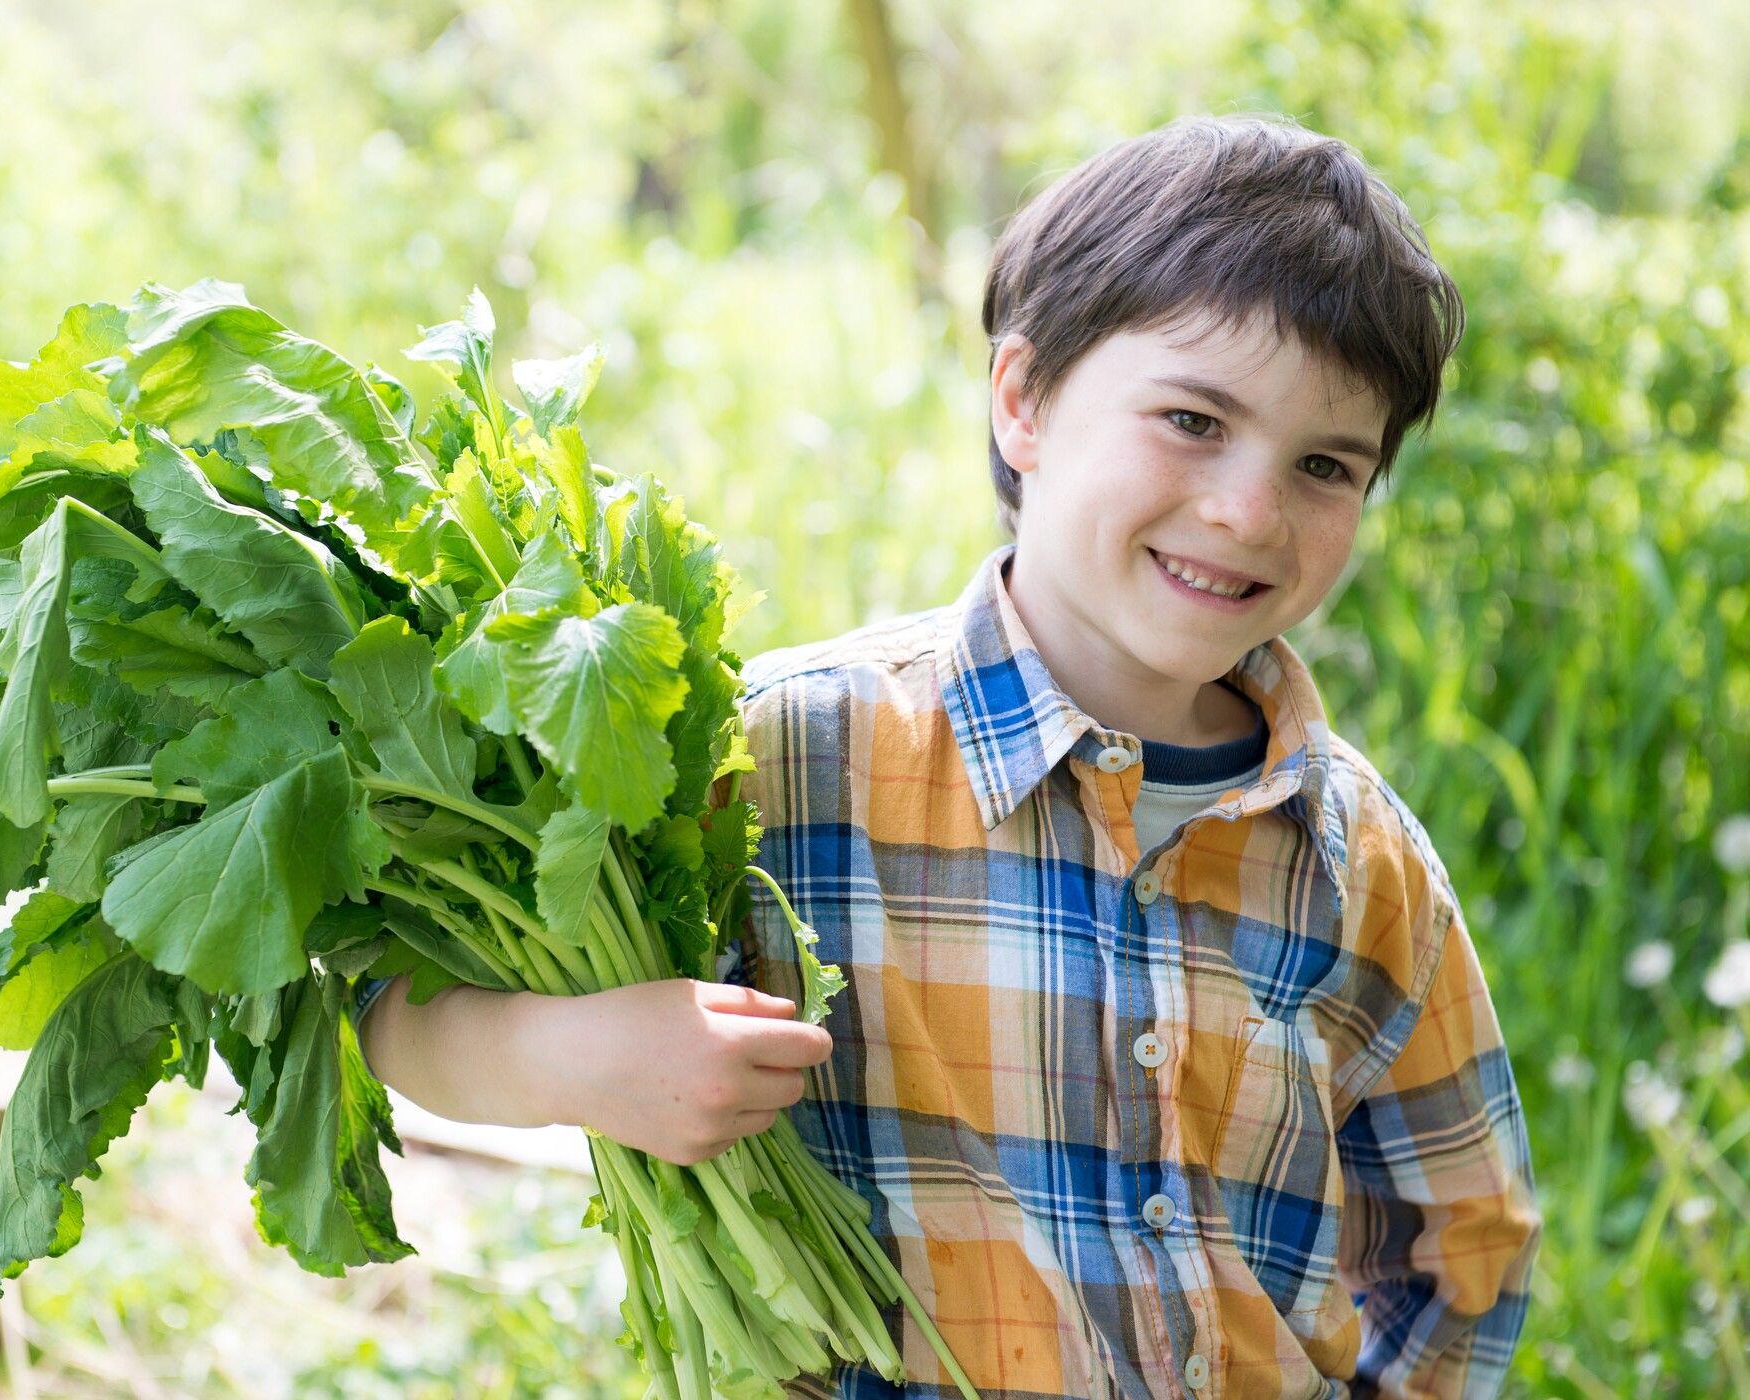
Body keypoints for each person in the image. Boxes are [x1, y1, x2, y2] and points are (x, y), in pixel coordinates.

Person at [355, 112, 1541, 1398]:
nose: (1248, 510)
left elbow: (1463, 1240)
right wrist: (570, 1057)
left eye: (1323, 464)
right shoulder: (780, 756)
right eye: (1194, 420)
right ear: (1023, 402)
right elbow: (391, 1010)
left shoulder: (1357, 858)